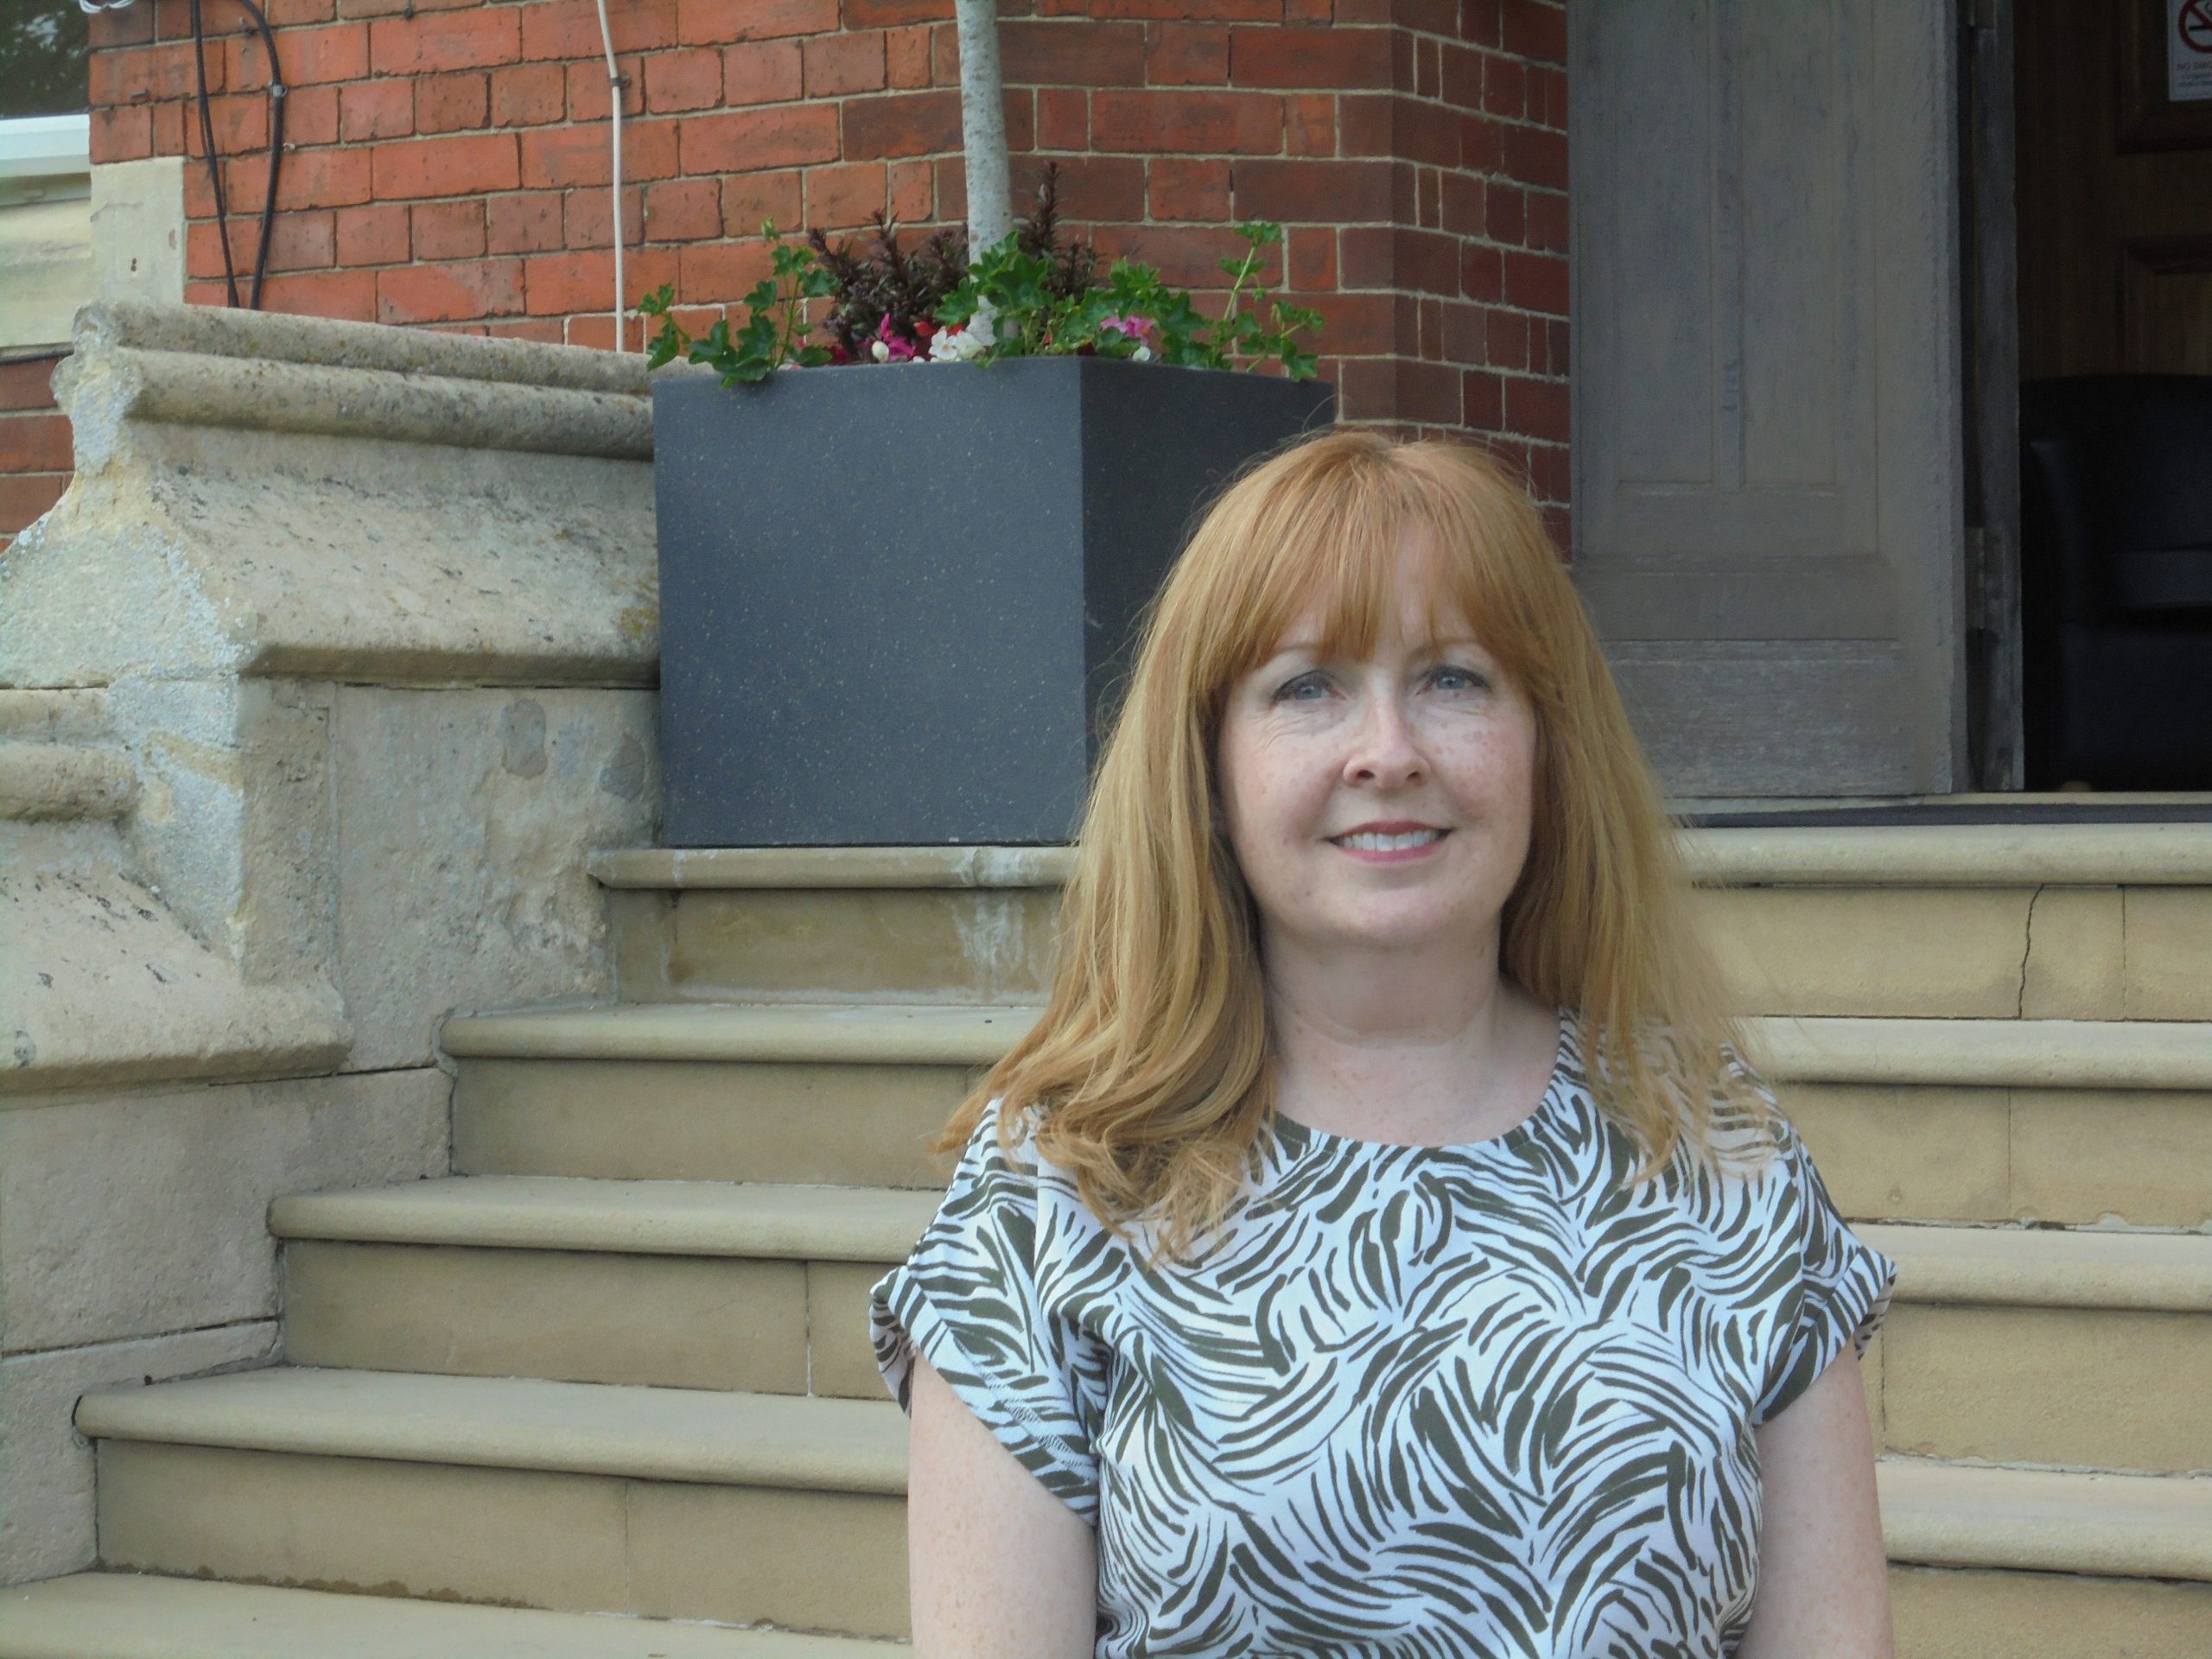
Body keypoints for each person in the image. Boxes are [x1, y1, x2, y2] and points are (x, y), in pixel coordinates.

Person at [870, 429, 1899, 1658]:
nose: (1390, 753)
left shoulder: (1712, 1147)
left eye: (1454, 679)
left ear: (1546, 743)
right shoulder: (1062, 1188)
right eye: (1307, 686)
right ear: (1207, 770)